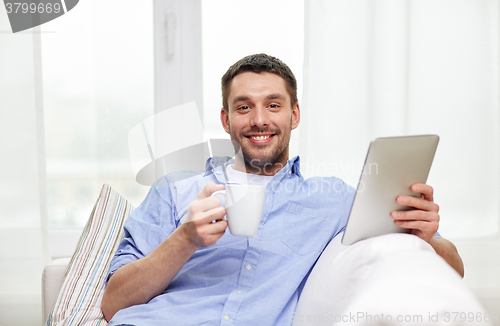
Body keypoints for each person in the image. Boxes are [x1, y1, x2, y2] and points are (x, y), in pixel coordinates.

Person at [102, 53, 464, 325]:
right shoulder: (174, 189)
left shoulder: (332, 200)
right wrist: (185, 240)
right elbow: (114, 302)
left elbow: (453, 270)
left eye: (273, 105)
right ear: (226, 120)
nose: (259, 119)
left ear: (294, 115)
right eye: (244, 107)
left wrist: (426, 236)